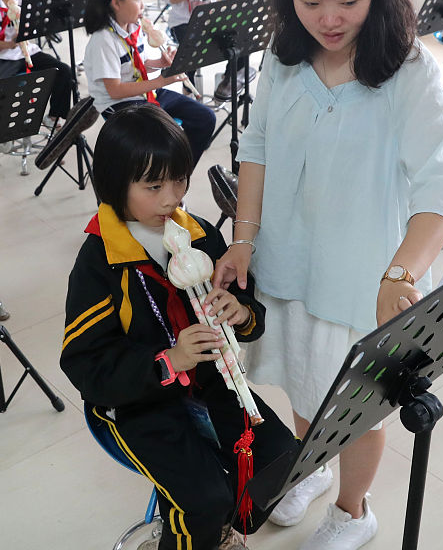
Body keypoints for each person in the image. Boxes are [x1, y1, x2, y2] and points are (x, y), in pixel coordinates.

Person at [211, 0, 443, 550]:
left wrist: (401, 273)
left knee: (355, 407)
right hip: (289, 260)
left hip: (365, 279)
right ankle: (310, 463)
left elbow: (440, 189)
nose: (328, 18)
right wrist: (242, 239)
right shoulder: (284, 57)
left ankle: (354, 510)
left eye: (348, 0)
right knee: (301, 377)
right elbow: (257, 146)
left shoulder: (410, 73)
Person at [60, 104, 296, 550]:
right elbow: (85, 364)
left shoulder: (200, 233)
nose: (172, 198)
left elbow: (247, 305)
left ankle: (222, 527)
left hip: (210, 381)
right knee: (202, 500)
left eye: (180, 180)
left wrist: (240, 314)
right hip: (134, 401)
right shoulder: (99, 262)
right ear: (113, 184)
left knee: (282, 458)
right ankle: (198, 528)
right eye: (153, 186)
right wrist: (169, 360)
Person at [83, 0, 216, 169]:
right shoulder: (103, 39)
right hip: (119, 106)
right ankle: (162, 179)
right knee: (165, 137)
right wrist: (161, 81)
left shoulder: (135, 27)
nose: (143, 5)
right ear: (117, 3)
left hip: (144, 93)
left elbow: (138, 66)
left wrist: (159, 64)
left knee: (205, 118)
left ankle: (179, 175)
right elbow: (115, 89)